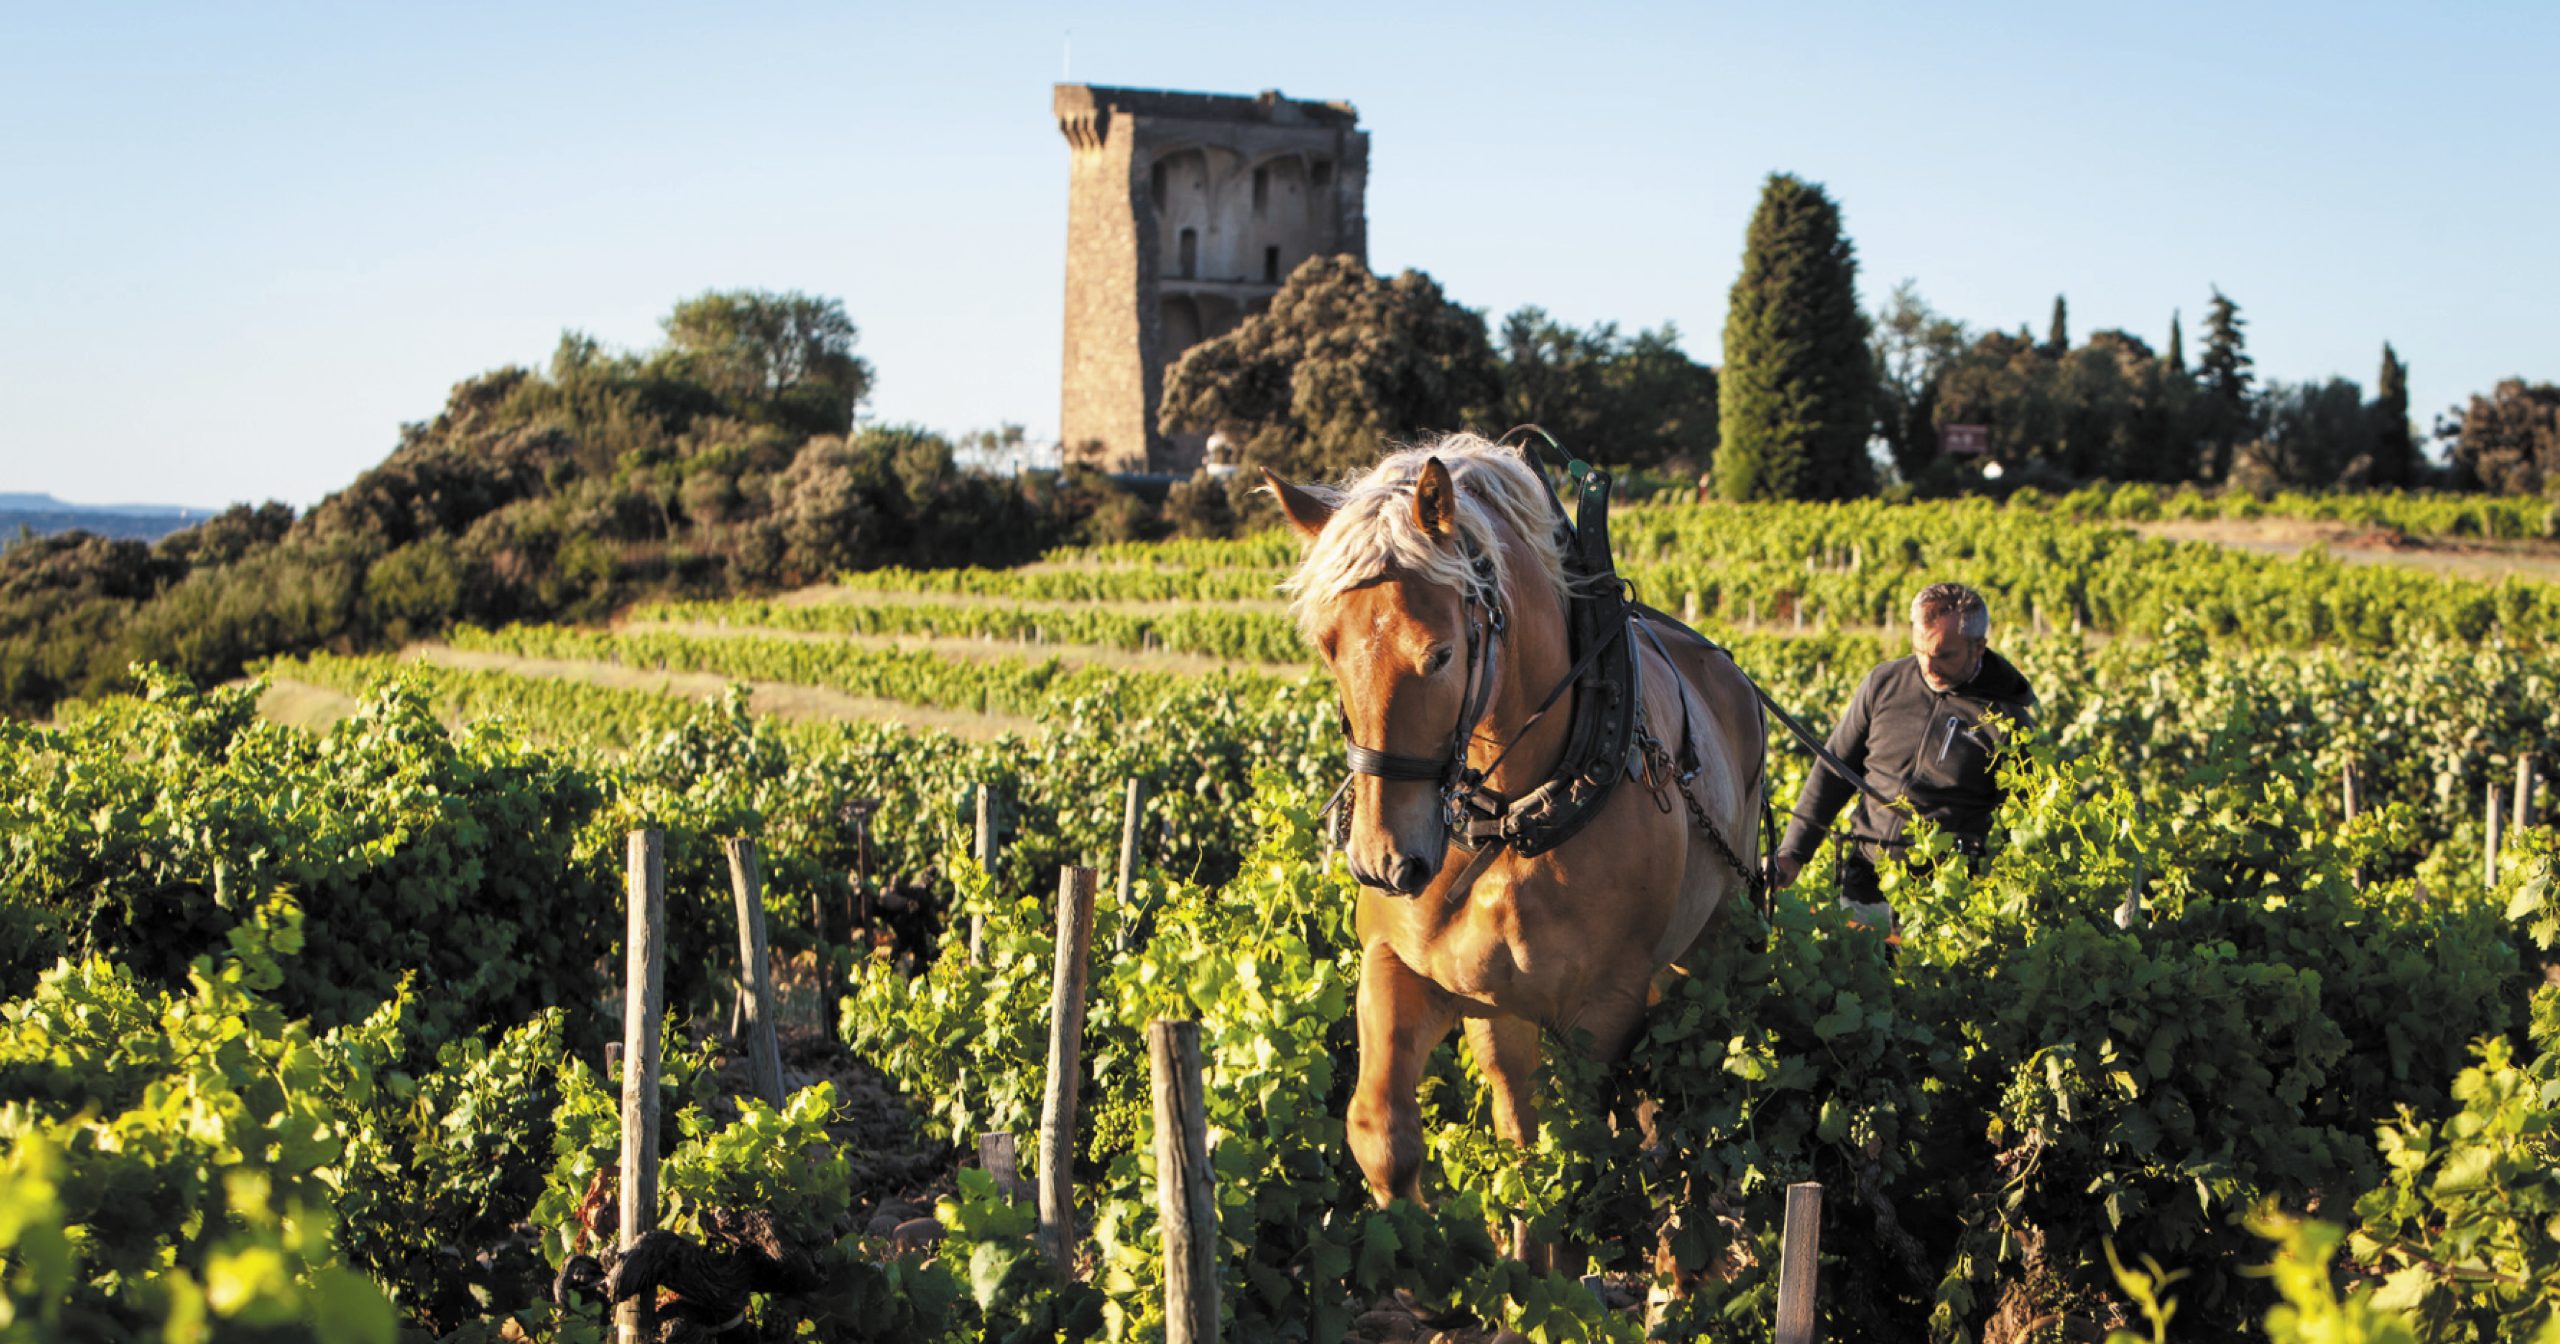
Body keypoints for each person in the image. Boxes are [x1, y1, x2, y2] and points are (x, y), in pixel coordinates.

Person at [1771, 581, 2037, 916]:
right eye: (1920, 651)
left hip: (1946, 902)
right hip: (1864, 878)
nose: (1929, 666)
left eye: (1944, 655)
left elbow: (2027, 822)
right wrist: (1793, 852)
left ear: (1979, 647)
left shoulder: (2006, 720)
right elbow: (1834, 769)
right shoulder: (1884, 683)